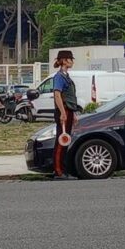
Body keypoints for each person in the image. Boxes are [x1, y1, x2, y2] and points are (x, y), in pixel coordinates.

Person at [52, 49, 78, 180]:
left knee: (65, 140)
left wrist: (73, 114)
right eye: (70, 59)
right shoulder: (59, 77)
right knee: (61, 140)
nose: (72, 61)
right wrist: (63, 112)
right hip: (64, 111)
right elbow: (57, 95)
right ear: (64, 60)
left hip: (68, 110)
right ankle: (58, 171)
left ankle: (62, 168)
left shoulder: (65, 76)